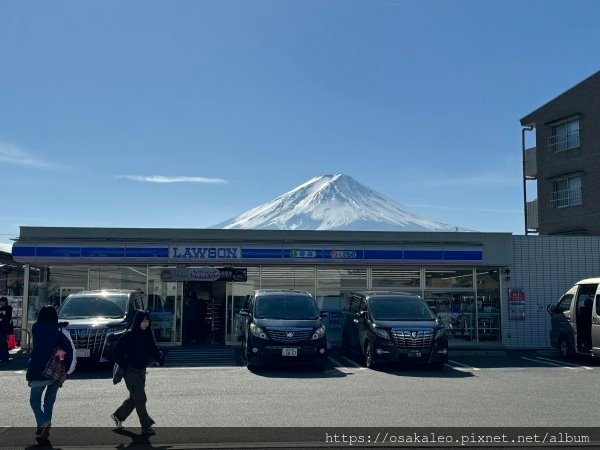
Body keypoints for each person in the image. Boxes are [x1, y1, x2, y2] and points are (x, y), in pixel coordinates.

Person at [26, 306, 74, 440]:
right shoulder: (60, 330)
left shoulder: (36, 328)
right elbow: (69, 351)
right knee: (49, 401)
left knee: (34, 401)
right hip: (56, 370)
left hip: (38, 368)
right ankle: (43, 428)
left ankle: (43, 424)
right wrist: (66, 369)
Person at [111, 310, 164, 435]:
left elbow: (153, 349)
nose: (146, 323)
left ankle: (118, 416)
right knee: (141, 398)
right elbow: (115, 352)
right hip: (130, 371)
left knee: (135, 398)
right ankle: (146, 426)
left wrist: (159, 359)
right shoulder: (129, 335)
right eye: (143, 321)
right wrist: (125, 363)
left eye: (147, 321)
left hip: (141, 370)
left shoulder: (148, 335)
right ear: (137, 321)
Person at [0, 296, 12, 361]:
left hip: (4, 328)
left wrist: (1, 316)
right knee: (2, 342)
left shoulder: (8, 308)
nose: (1, 303)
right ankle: (3, 356)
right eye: (0, 302)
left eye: (2, 301)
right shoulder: (0, 309)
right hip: (1, 327)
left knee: (3, 342)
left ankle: (5, 356)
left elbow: (7, 318)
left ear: (6, 302)